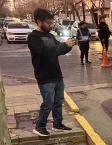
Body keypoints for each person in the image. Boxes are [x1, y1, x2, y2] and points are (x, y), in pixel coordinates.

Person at [27, 8, 76, 137]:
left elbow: (58, 50)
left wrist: (69, 45)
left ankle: (57, 124)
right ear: (39, 21)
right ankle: (40, 126)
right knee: (47, 103)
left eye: (51, 22)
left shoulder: (50, 35)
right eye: (48, 23)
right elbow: (45, 53)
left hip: (56, 74)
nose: (51, 25)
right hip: (44, 75)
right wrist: (63, 46)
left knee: (58, 101)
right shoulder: (33, 37)